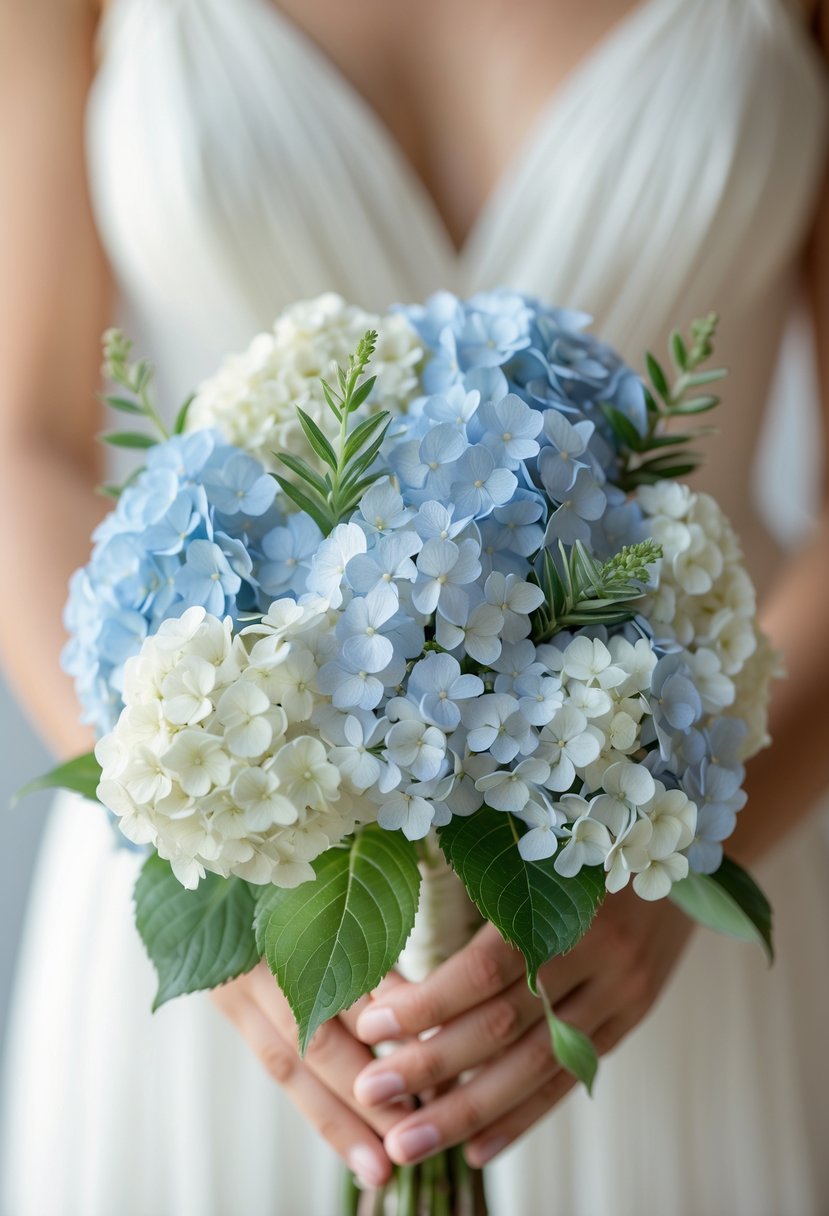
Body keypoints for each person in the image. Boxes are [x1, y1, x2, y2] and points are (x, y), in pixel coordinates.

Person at [1, 0, 828, 1212]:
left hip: (673, 897)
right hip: (232, 913)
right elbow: (21, 439)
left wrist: (687, 847)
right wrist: (188, 837)